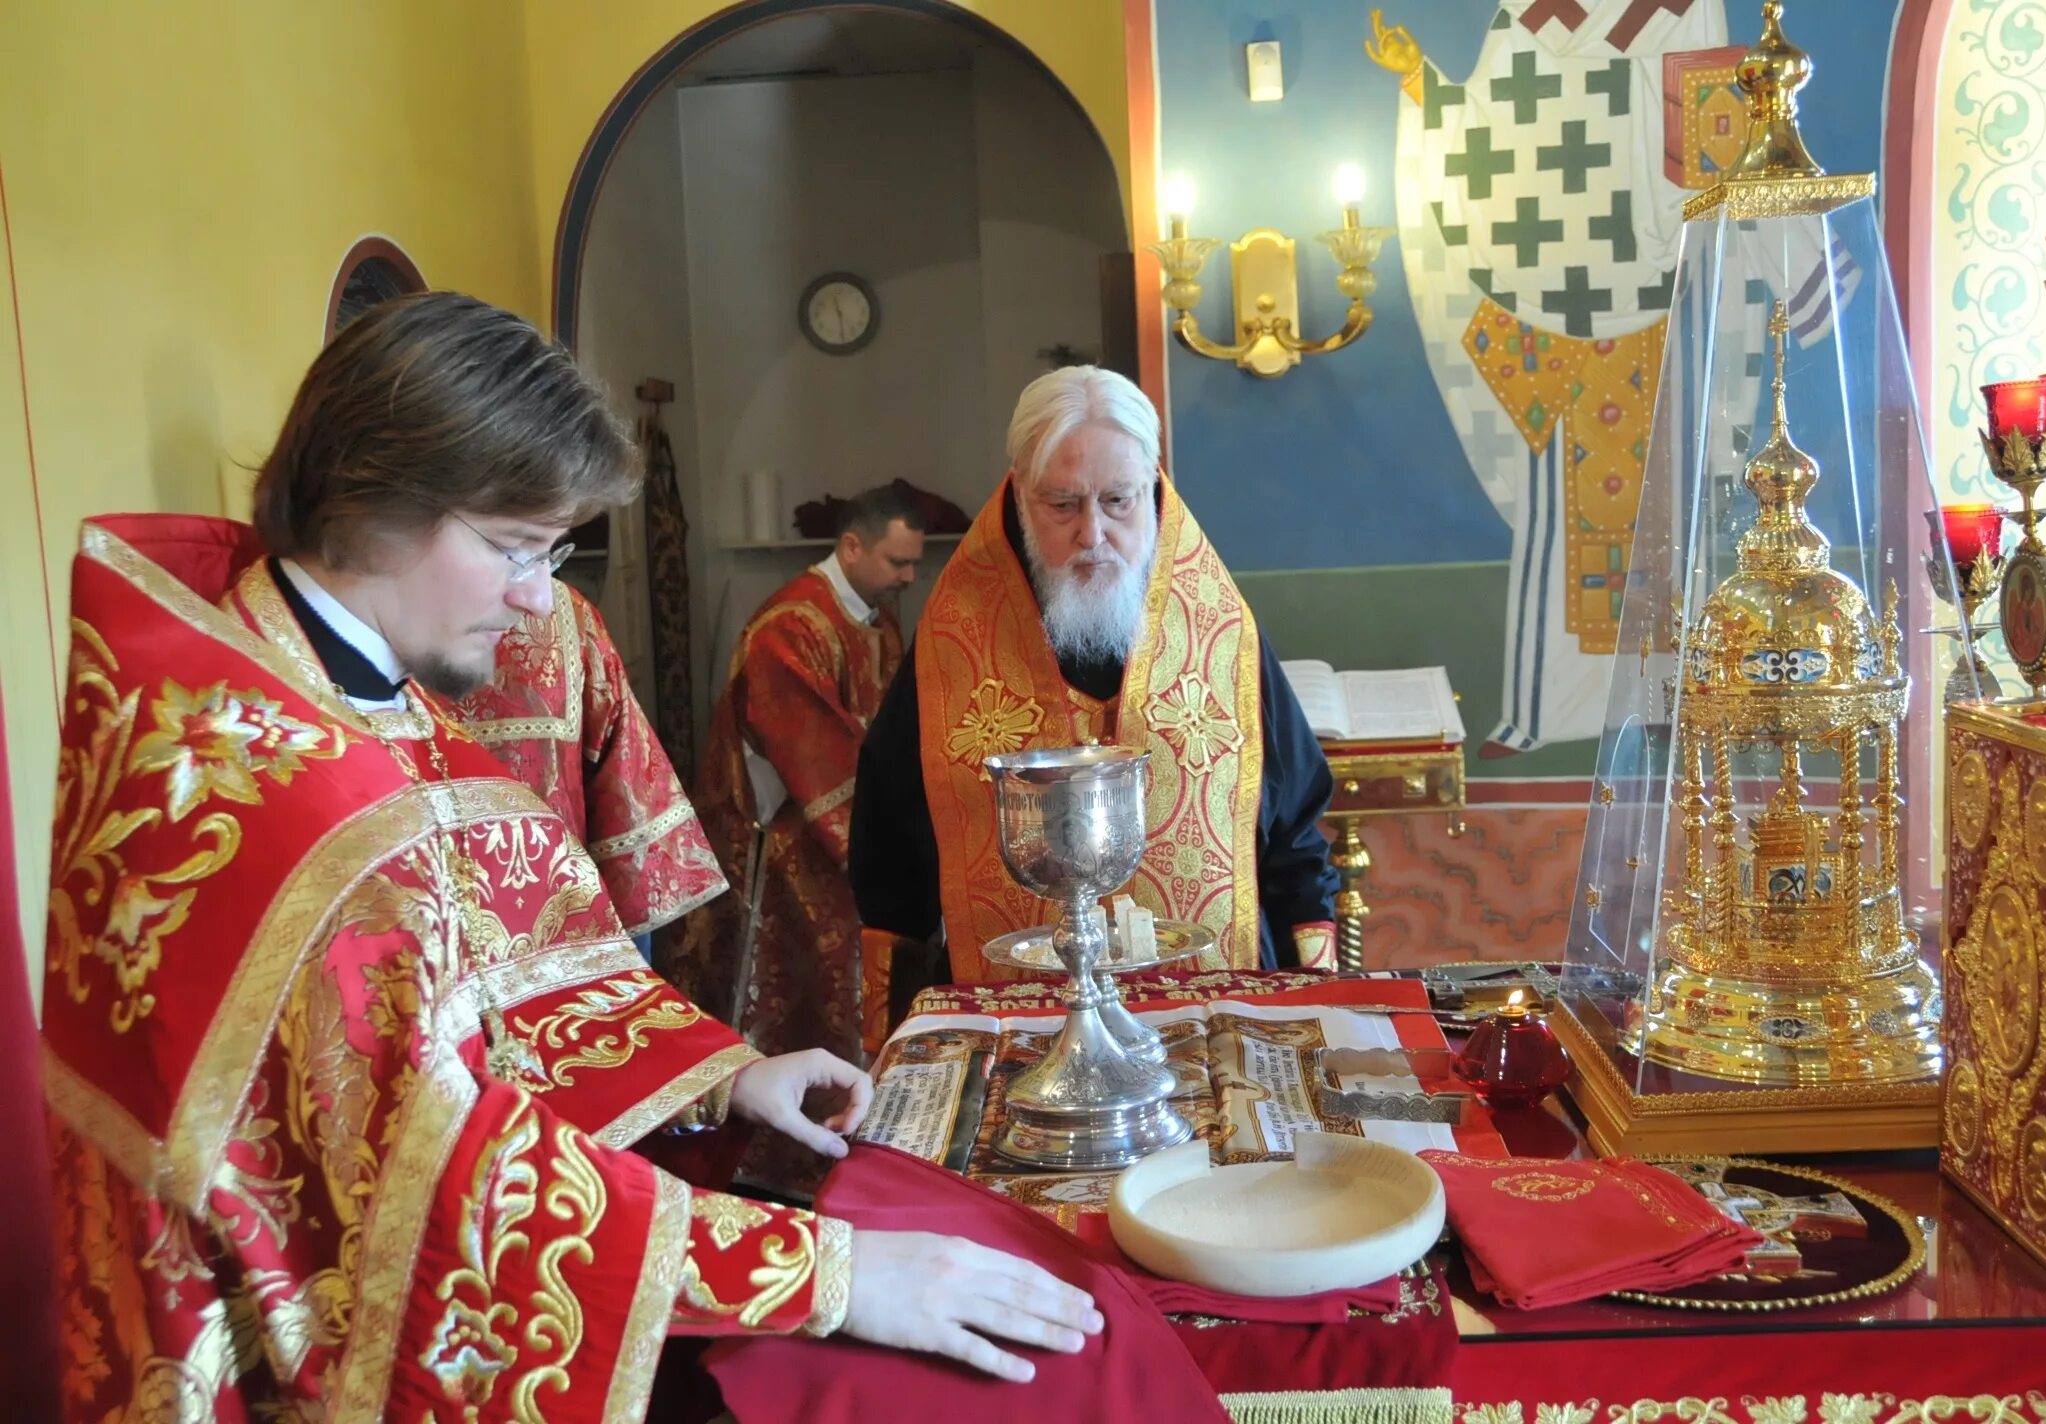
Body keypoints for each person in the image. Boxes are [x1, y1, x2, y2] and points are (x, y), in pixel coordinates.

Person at [41, 293, 1101, 1420]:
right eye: (511, 548)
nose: (535, 599)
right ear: (369, 498)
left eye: (550, 554)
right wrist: (827, 1274)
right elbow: (424, 1185)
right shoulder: (268, 784)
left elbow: (517, 967)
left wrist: (725, 1077)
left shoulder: (333, 684)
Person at [850, 366, 1340, 1047]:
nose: (1093, 533)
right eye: (1062, 505)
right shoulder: (949, 649)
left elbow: (1295, 846)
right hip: (1018, 1040)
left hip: (1219, 1032)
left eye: (1118, 501)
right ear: (1019, 494)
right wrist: (893, 1045)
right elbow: (891, 874)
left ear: (1155, 487)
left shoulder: (1222, 635)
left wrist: (1317, 1010)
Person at [659, 486, 920, 1069]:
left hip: (829, 825)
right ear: (851, 547)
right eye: (897, 561)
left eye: (913, 563)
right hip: (778, 840)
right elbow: (820, 756)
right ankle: (790, 1138)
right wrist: (894, 842)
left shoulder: (877, 619)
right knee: (802, 989)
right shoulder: (790, 630)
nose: (909, 576)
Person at [451, 577, 727, 943]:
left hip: (559, 946)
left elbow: (625, 823)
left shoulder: (565, 619)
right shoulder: (562, 614)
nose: (536, 598)